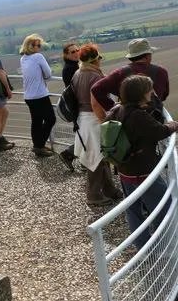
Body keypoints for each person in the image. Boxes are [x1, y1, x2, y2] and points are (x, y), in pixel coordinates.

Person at [105, 75, 178, 249]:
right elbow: (159, 131)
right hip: (143, 173)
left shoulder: (117, 109)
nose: (151, 93)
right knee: (166, 208)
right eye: (149, 90)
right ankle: (167, 248)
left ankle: (142, 245)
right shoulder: (138, 115)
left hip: (125, 170)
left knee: (134, 210)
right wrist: (173, 125)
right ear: (142, 94)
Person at [71, 44, 123, 206]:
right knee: (96, 158)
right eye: (99, 58)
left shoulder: (78, 73)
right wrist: (105, 122)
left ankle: (109, 190)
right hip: (94, 119)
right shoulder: (96, 77)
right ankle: (93, 196)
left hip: (83, 119)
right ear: (95, 60)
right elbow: (95, 104)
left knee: (99, 156)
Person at [91, 38, 170, 113]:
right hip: (156, 119)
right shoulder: (162, 71)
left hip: (129, 121)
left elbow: (96, 89)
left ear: (131, 57)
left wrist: (112, 106)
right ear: (147, 56)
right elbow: (164, 95)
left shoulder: (120, 73)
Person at [20, 34, 56, 157]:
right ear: (31, 46)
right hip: (40, 95)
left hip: (28, 96)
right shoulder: (38, 57)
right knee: (51, 119)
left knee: (36, 121)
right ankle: (39, 146)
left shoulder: (23, 58)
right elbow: (48, 74)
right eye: (38, 45)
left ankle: (38, 145)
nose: (39, 48)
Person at [59, 43, 81, 169]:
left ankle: (72, 155)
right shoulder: (70, 69)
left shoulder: (74, 66)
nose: (76, 53)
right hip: (77, 106)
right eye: (72, 52)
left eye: (77, 50)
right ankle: (68, 154)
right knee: (86, 134)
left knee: (85, 134)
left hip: (78, 106)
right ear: (66, 55)